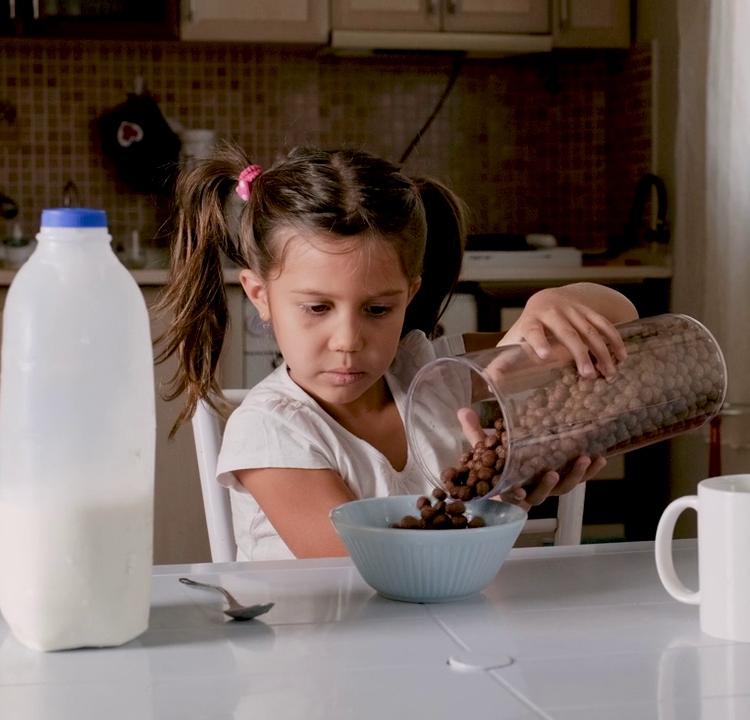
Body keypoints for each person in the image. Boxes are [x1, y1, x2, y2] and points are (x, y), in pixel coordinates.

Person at [157, 145, 639, 561]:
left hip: (455, 641)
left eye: (378, 308)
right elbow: (371, 571)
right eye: (318, 307)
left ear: (409, 294)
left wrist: (552, 303)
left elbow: (624, 321)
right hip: (319, 656)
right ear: (260, 296)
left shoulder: (436, 372)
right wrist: (498, 504)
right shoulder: (269, 430)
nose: (348, 339)